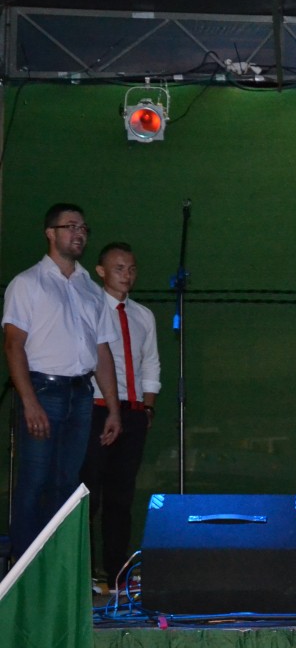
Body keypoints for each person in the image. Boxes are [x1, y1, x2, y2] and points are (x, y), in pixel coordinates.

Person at [2, 203, 122, 559]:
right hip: (43, 390)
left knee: (66, 484)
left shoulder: (90, 288)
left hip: (81, 394)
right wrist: (29, 402)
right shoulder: (28, 283)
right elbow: (13, 345)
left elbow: (101, 351)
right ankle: (25, 570)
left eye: (83, 228)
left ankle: (57, 567)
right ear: (50, 233)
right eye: (70, 226)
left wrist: (113, 409)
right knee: (34, 482)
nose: (79, 233)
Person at [80, 242, 161, 591]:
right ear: (100, 271)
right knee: (88, 495)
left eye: (131, 268)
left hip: (134, 413)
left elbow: (150, 363)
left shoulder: (143, 315)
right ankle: (83, 574)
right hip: (96, 409)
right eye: (118, 268)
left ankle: (116, 575)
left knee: (121, 496)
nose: (127, 275)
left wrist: (147, 406)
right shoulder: (89, 309)